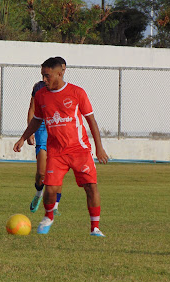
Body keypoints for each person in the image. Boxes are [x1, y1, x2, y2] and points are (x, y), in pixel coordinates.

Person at [14, 57, 109, 236]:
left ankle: (94, 228)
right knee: (49, 189)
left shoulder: (77, 92)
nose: (44, 80)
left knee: (91, 187)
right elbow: (37, 120)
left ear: (60, 72)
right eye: (42, 75)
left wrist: (99, 148)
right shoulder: (41, 95)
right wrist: (23, 137)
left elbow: (91, 121)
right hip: (56, 152)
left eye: (47, 76)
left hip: (79, 150)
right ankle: (48, 216)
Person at [27, 57, 66, 215]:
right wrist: (29, 132)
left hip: (58, 129)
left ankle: (55, 206)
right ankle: (38, 194)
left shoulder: (66, 89)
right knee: (41, 173)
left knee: (58, 171)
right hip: (42, 128)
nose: (44, 78)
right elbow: (32, 109)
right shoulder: (39, 87)